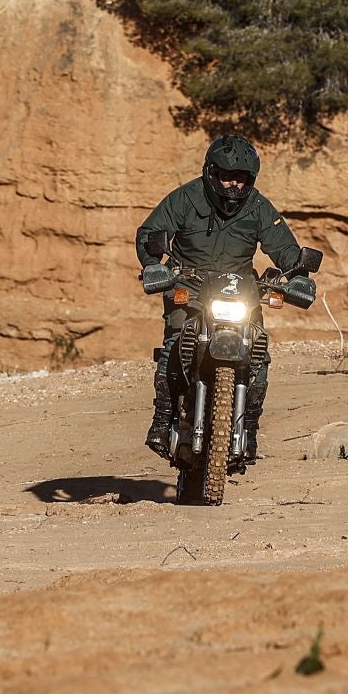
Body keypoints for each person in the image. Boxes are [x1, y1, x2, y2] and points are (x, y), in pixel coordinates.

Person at [136, 135, 305, 458]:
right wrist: (153, 265)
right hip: (191, 287)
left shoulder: (257, 206)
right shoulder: (185, 198)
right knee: (175, 345)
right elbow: (149, 234)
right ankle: (161, 421)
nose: (234, 185)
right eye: (227, 176)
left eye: (241, 179)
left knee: (257, 354)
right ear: (211, 172)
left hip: (239, 289)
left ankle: (250, 429)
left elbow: (284, 247)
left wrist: (295, 272)